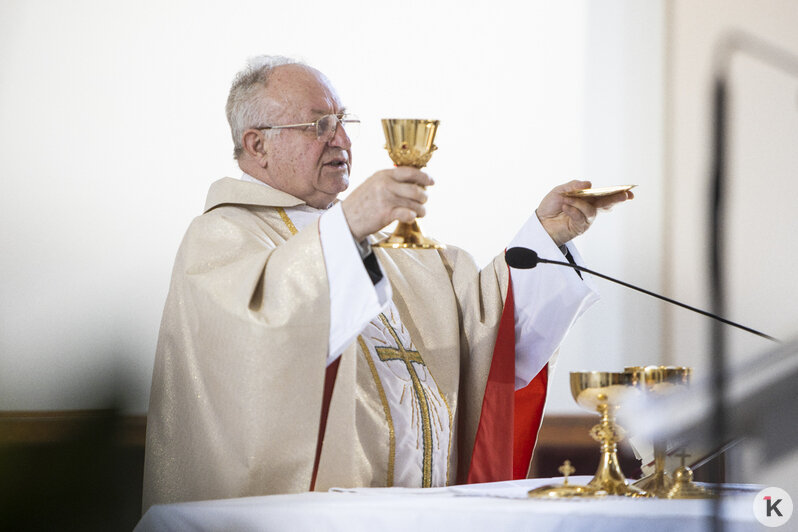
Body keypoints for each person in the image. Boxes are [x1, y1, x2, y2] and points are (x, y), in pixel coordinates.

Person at [141, 55, 633, 511]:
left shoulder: (384, 246)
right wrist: (349, 223)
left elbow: (490, 333)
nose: (342, 141)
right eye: (320, 125)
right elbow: (257, 348)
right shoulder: (221, 237)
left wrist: (547, 238)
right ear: (257, 144)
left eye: (343, 122)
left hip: (423, 513)